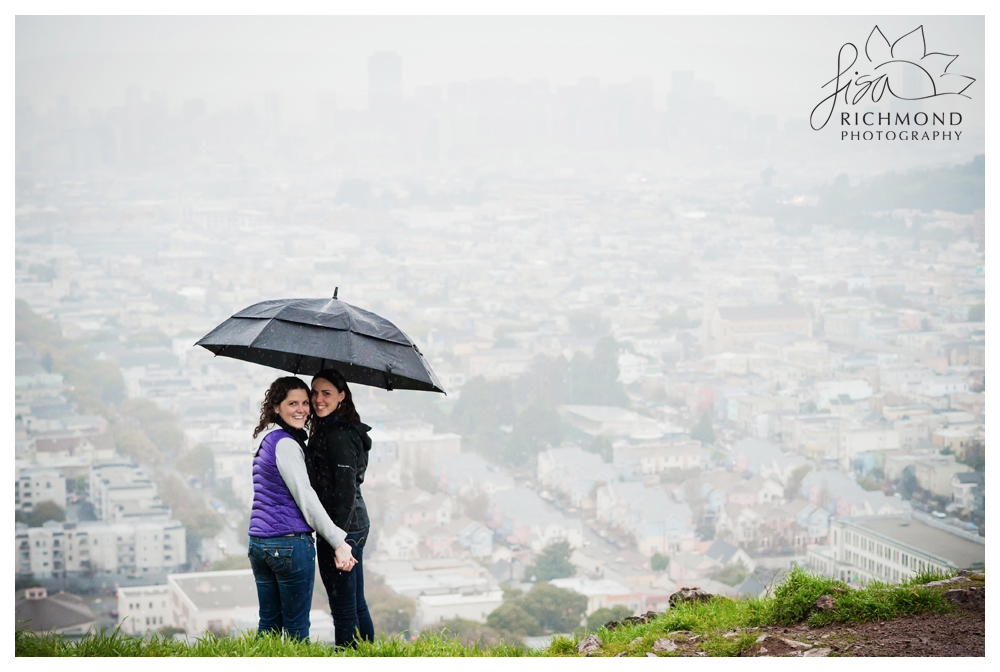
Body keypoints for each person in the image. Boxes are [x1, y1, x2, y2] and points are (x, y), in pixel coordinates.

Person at [248, 376, 357, 642]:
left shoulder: (265, 440)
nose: (302, 409)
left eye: (305, 403)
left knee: (269, 625)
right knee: (297, 630)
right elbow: (305, 497)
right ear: (276, 407)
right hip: (288, 545)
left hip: (259, 543)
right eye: (292, 403)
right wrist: (338, 541)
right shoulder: (285, 444)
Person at [305, 368, 374, 648]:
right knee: (355, 602)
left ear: (342, 396)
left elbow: (345, 491)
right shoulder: (333, 428)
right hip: (351, 523)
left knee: (343, 608)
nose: (318, 399)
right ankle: (368, 654)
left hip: (343, 526)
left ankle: (350, 657)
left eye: (327, 393)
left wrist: (338, 540)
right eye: (314, 392)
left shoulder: (339, 435)